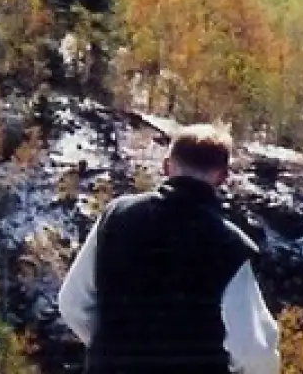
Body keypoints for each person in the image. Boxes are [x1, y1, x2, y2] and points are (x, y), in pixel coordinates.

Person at [57, 124, 280, 374]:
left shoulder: (117, 216)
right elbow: (255, 351)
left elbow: (72, 304)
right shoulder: (231, 247)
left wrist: (112, 350)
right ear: (222, 177)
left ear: (166, 166)